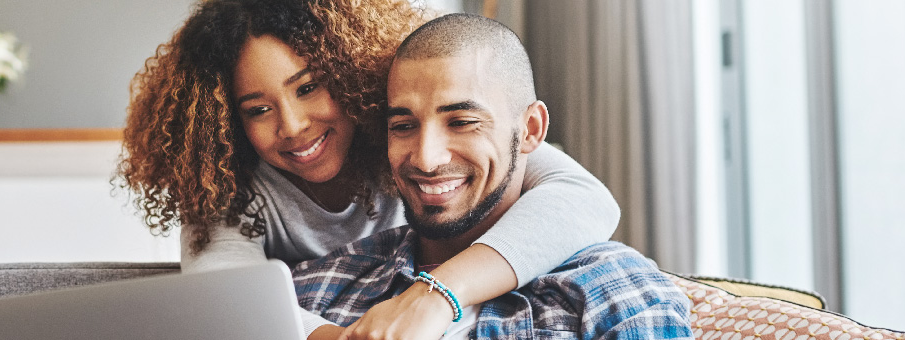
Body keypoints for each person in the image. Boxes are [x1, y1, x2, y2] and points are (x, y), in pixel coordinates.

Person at [117, 0, 620, 339]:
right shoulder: (227, 185)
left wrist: (437, 295)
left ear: (349, 70)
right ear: (225, 121)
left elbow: (585, 198)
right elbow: (223, 296)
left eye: (308, 87)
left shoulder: (410, 138)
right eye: (257, 109)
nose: (292, 126)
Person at [293, 13, 692, 339]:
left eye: (463, 122)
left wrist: (437, 296)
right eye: (403, 125)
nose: (427, 159)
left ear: (531, 130)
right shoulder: (319, 286)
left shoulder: (614, 294)